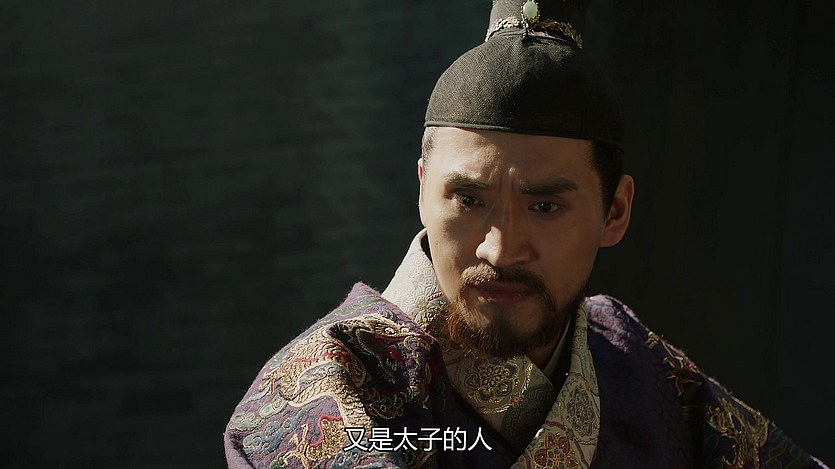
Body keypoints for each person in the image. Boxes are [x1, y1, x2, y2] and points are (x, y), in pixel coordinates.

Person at [224, 1, 827, 467]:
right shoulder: (325, 389)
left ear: (615, 212)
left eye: (544, 206)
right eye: (468, 199)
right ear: (422, 190)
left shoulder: (638, 371)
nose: (499, 248)